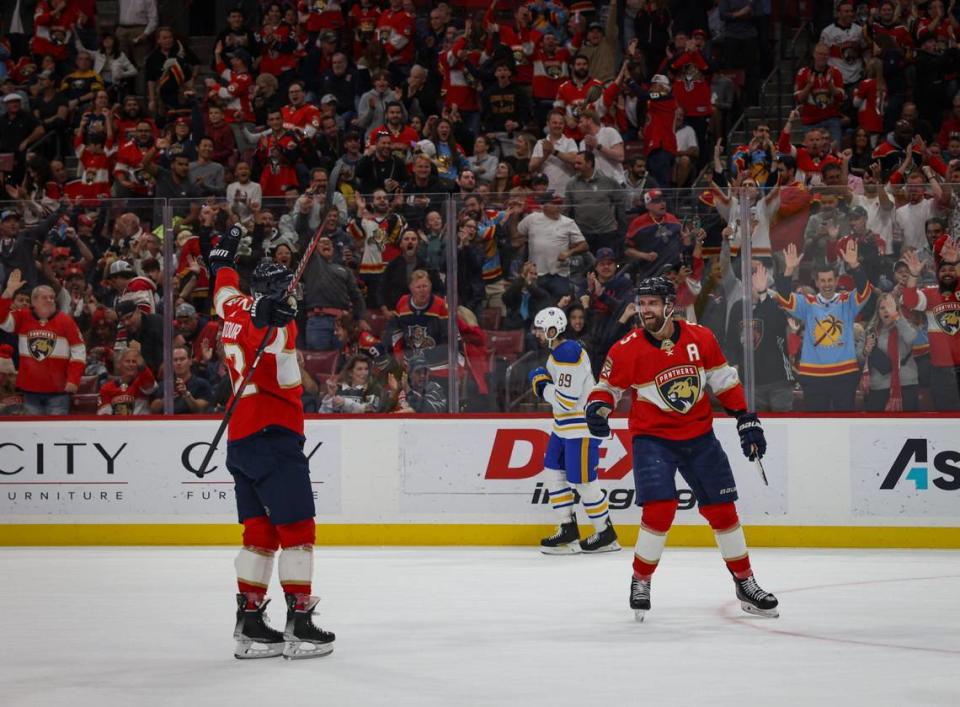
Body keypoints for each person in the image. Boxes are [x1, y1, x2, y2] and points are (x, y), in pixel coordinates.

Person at [585, 277, 778, 621]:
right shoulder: (626, 348)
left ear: (669, 306)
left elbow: (723, 380)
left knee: (723, 511)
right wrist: (597, 408)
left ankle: (745, 582)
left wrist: (745, 419)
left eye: (652, 304)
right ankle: (641, 580)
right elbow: (607, 388)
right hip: (652, 439)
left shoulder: (700, 337)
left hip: (699, 436)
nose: (645, 311)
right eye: (642, 304)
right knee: (660, 510)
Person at [207, 228, 335, 660]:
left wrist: (219, 259)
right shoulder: (280, 324)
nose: (289, 294)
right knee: (298, 529)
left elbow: (223, 287)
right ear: (270, 290)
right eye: (283, 287)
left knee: (259, 533)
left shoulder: (231, 306)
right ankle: (298, 622)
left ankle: (250, 624)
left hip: (241, 439)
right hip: (274, 434)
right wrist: (270, 312)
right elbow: (274, 339)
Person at [527, 307, 620, 554]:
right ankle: (567, 527)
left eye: (540, 328)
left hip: (580, 427)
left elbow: (567, 400)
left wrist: (541, 386)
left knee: (583, 481)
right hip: (563, 426)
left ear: (552, 329)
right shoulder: (559, 351)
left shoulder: (568, 352)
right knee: (552, 470)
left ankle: (606, 534)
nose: (536, 333)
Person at [775, 242, 873, 411]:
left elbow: (864, 290)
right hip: (813, 376)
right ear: (817, 282)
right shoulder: (807, 303)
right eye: (823, 281)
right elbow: (784, 296)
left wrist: (855, 265)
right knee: (816, 428)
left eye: (830, 280)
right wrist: (789, 269)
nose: (827, 284)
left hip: (844, 375)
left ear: (836, 280)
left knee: (844, 426)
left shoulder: (847, 301)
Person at [0, 269, 85, 415]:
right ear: (33, 301)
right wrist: (8, 293)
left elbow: (79, 351)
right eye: (44, 297)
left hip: (59, 391)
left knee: (56, 432)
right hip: (30, 390)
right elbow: (2, 320)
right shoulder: (22, 316)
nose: (49, 300)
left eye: (52, 298)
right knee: (32, 433)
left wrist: (73, 379)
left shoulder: (66, 321)